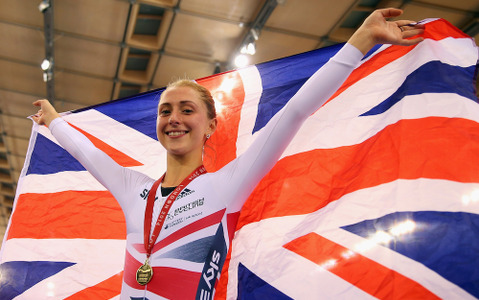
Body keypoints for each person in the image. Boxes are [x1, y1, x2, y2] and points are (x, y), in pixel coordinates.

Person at [32, 8, 424, 300]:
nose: (174, 119)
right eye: (165, 110)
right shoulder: (133, 189)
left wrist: (360, 42)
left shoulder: (226, 186)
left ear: (210, 126)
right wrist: (54, 121)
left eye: (188, 110)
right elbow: (87, 153)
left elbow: (294, 113)